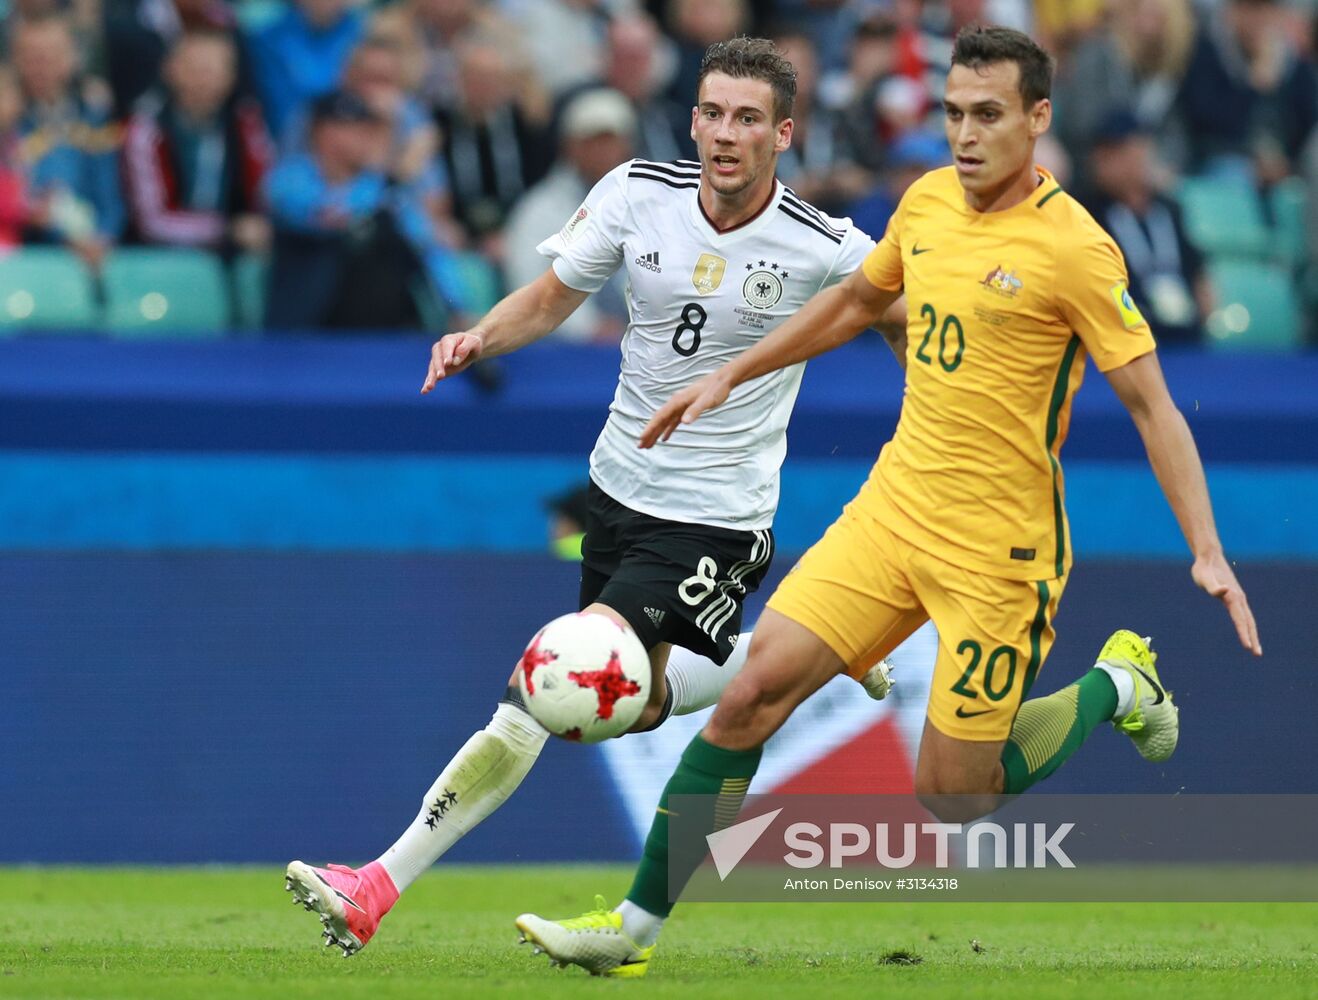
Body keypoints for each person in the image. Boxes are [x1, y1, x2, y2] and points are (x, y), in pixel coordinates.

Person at [514, 25, 1262, 978]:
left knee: (953, 796)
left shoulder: (1079, 249)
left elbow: (1155, 406)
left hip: (1000, 550)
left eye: (987, 114)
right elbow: (860, 303)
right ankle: (631, 933)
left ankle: (1118, 686)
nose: (964, 133)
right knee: (748, 695)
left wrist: (1205, 547)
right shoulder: (927, 203)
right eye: (952, 112)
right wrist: (731, 373)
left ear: (1038, 118)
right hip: (892, 511)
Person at [283, 36, 878, 960]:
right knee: (621, 706)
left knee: (539, 686)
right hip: (617, 490)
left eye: (748, 118)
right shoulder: (639, 192)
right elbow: (556, 294)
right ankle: (810, 647)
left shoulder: (824, 245)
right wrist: (480, 336)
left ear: (784, 133)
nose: (726, 133)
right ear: (693, 120)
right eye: (713, 113)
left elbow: (918, 314)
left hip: (716, 515)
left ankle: (375, 886)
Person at [502, 87, 636, 342]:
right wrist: (587, 328)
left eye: (610, 141)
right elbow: (526, 281)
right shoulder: (539, 208)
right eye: (592, 142)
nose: (603, 152)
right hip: (567, 352)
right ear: (570, 147)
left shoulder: (650, 203)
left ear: (626, 146)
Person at [121, 30, 272, 252]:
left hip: (233, 255)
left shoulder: (246, 123)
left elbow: (266, 193)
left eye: (213, 71)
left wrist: (258, 227)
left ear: (231, 76)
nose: (204, 80)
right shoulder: (145, 129)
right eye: (194, 70)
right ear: (169, 70)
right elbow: (152, 223)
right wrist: (227, 230)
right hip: (160, 257)